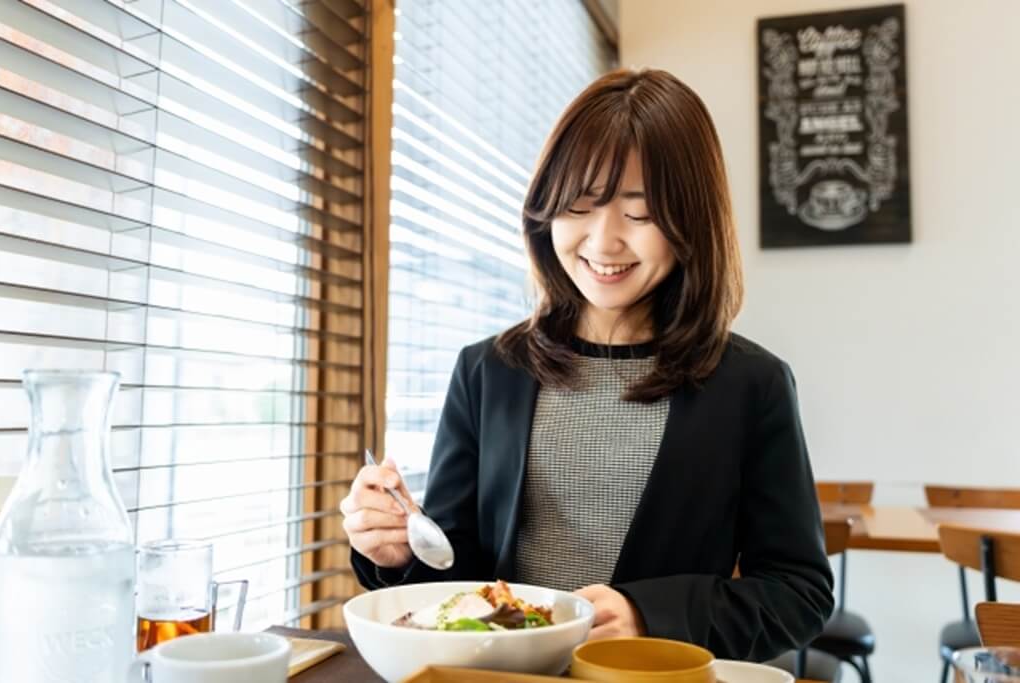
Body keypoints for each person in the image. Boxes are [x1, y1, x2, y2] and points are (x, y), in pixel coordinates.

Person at [339, 68, 833, 661]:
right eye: (578, 205)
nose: (603, 242)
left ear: (691, 223)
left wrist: (650, 616)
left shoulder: (751, 384)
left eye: (640, 212)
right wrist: (396, 555)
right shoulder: (487, 372)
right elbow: (453, 575)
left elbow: (798, 594)